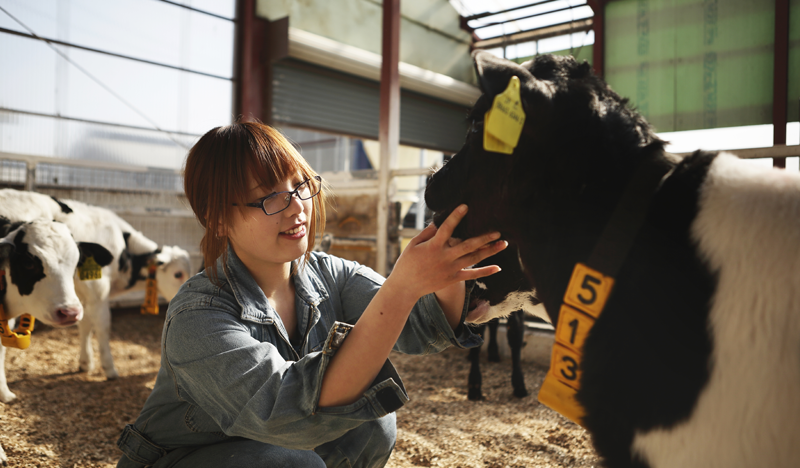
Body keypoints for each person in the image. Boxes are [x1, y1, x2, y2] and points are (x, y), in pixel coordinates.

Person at [115, 122, 506, 468]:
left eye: (299, 185)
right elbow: (285, 414)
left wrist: (450, 246)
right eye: (268, 197)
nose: (297, 207)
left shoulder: (328, 273)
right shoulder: (198, 316)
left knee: (372, 425)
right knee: (290, 462)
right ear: (218, 219)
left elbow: (422, 325)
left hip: (266, 448)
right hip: (186, 458)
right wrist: (402, 287)